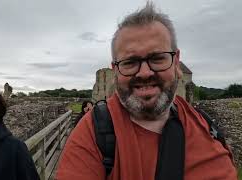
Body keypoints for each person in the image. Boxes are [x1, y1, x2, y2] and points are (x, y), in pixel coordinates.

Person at [56, 2, 237, 180]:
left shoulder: (206, 130)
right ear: (115, 71)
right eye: (130, 62)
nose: (144, 73)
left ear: (177, 62)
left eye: (157, 58)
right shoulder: (93, 134)